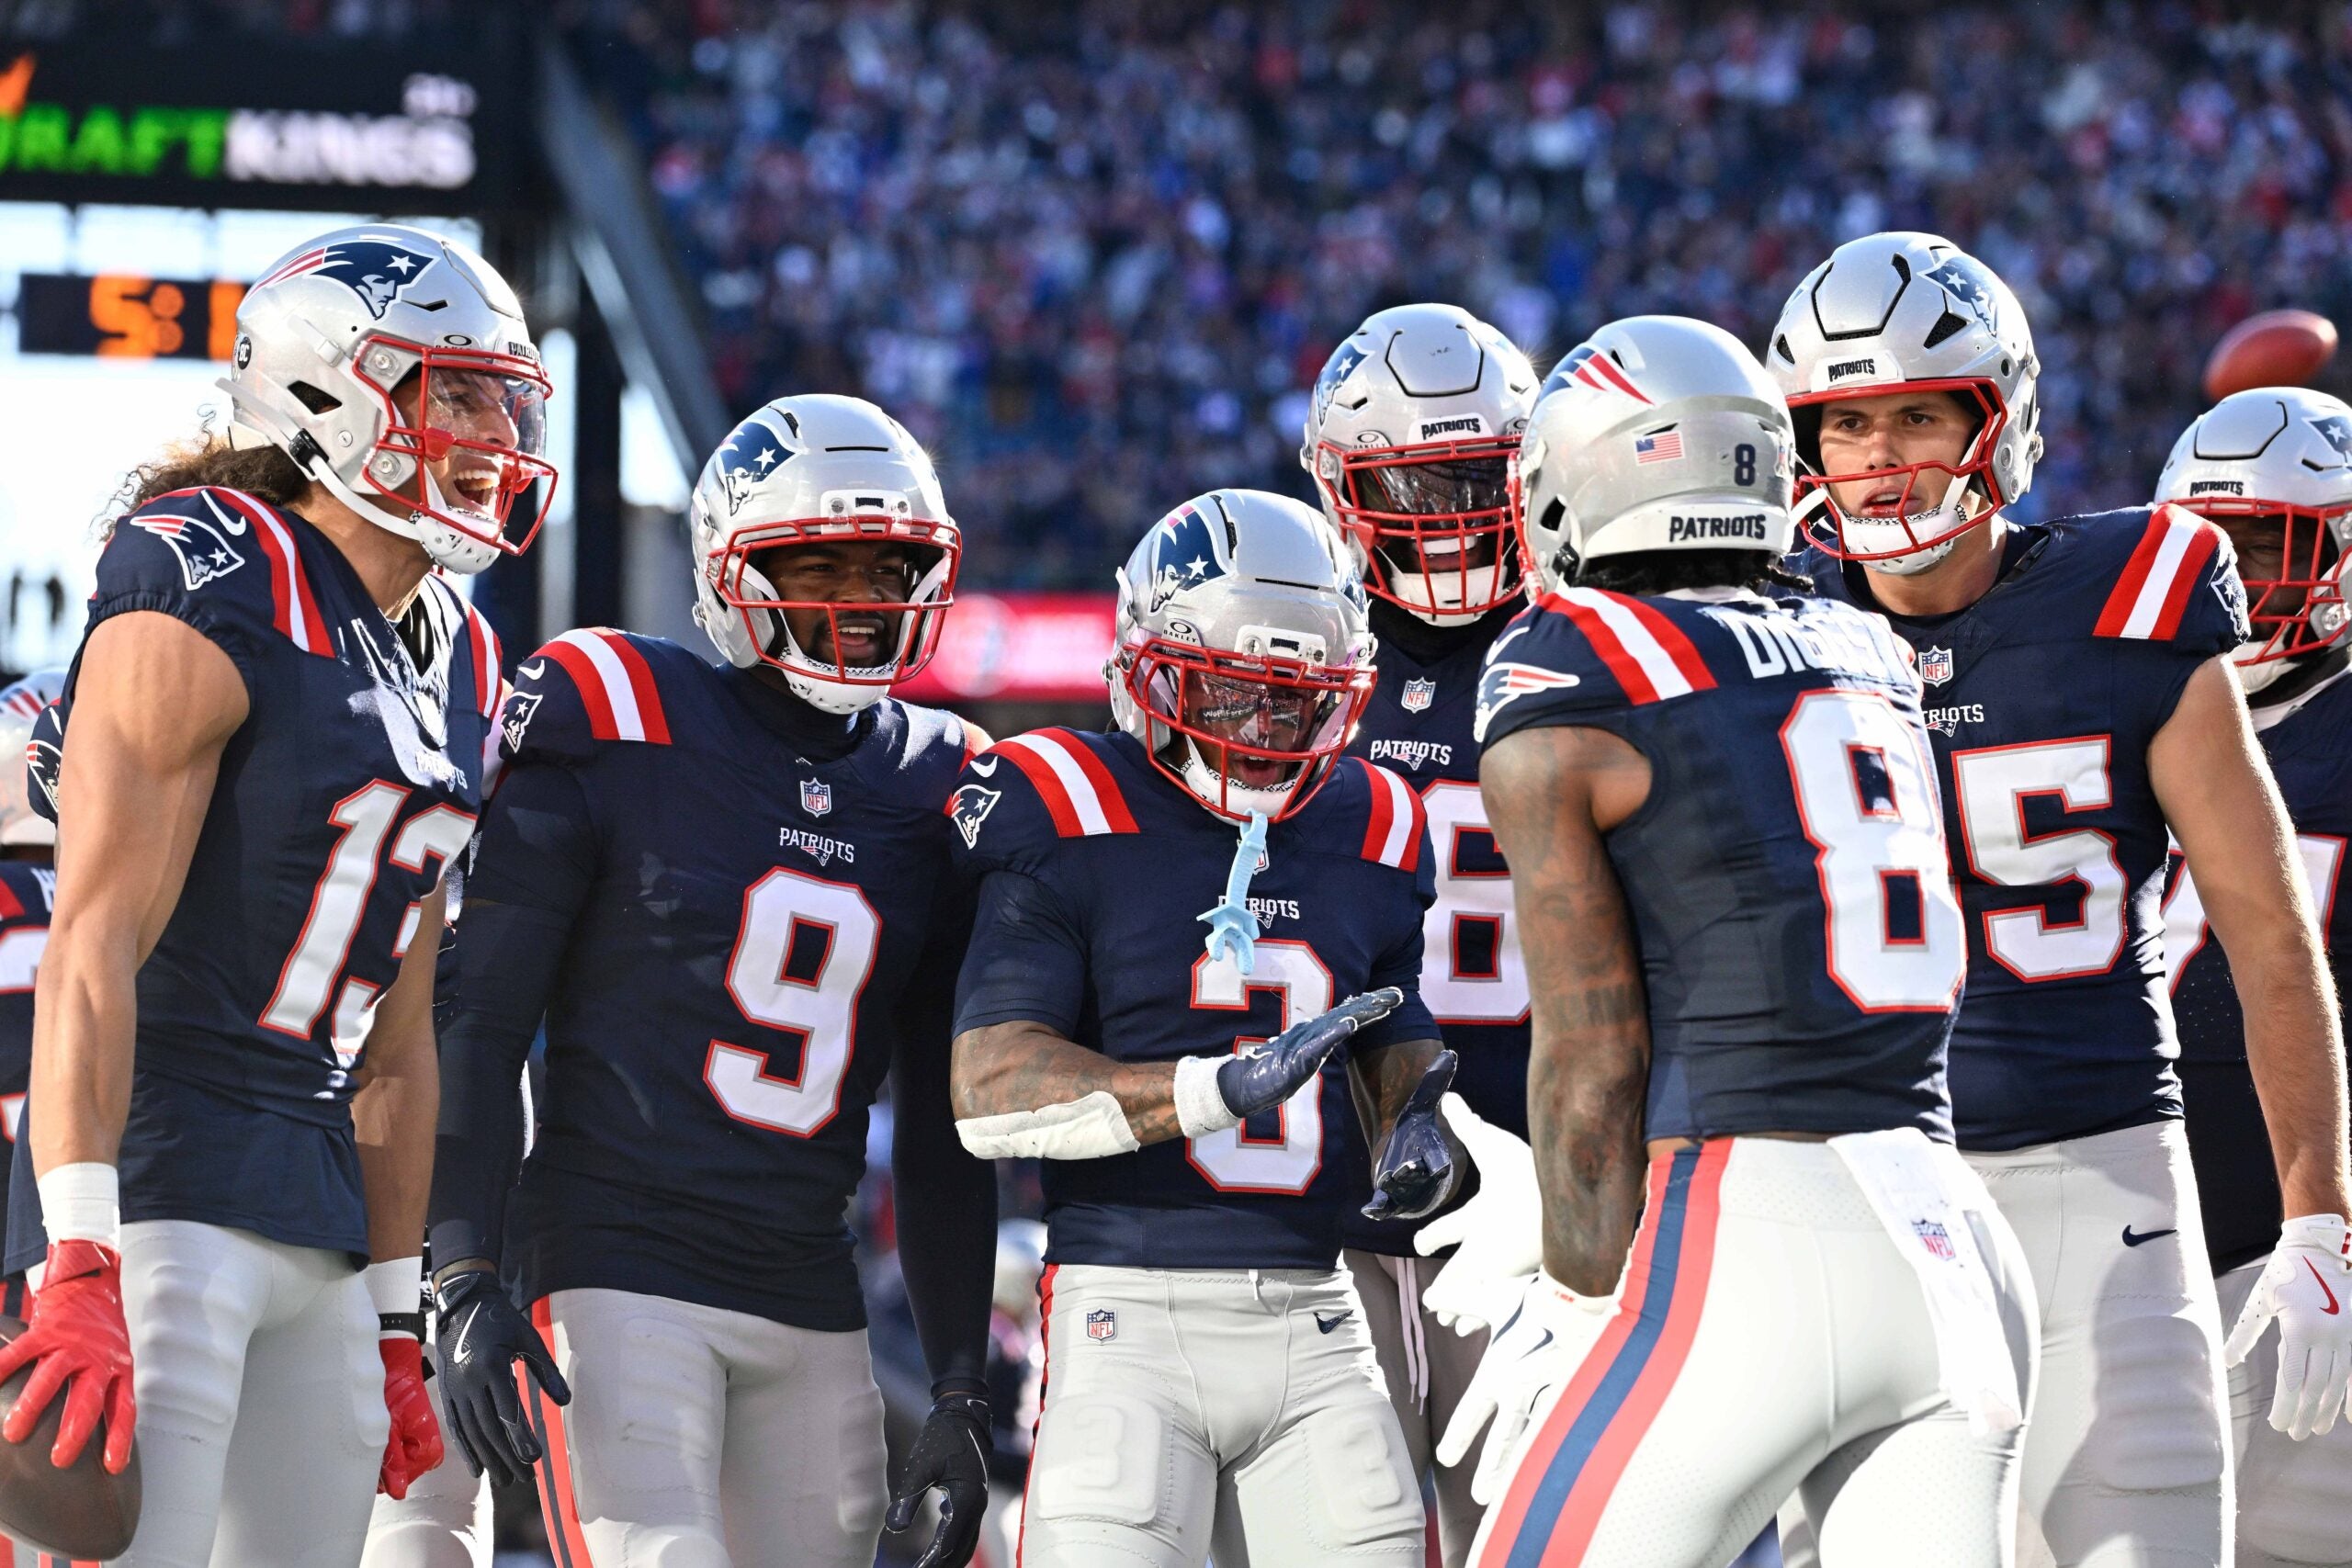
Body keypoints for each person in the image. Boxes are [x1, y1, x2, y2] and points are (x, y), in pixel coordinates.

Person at [1774, 231, 2352, 1568]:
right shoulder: (1771, 631)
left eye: (1918, 411)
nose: (1880, 455)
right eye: (1845, 422)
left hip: (2102, 1179)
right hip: (1866, 1204)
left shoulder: (2134, 596)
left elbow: (2269, 932)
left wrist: (2319, 1213)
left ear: (1999, 414)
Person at [0, 223, 548, 1565]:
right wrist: (77, 1255)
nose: (493, 430)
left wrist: (400, 1314)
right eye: (452, 390)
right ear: (327, 390)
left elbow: (402, 1044)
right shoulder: (208, 565)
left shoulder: (466, 653)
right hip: (162, 1178)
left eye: (502, 396)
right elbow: (95, 941)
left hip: (318, 1207)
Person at [1457, 312, 2032, 1568]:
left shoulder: (1570, 664)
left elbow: (1589, 1059)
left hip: (1762, 1226)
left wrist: (1570, 1300)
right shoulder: (1868, 645)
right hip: (1956, 1235)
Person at [424, 393, 998, 1568]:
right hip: (610, 1264)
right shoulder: (616, 709)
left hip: (810, 1288)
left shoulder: (942, 782)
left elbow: (944, 1121)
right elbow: (479, 1020)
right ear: (732, 574)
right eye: (819, 569)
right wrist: (464, 1268)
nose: (859, 606)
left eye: (886, 573)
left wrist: (957, 1386)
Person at [947, 487, 1458, 1567]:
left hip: (1323, 1319)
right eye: (1230, 694)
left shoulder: (1377, 819)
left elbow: (1389, 1020)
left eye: (1296, 700)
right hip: (1125, 1312)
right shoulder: (1062, 795)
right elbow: (989, 1090)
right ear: (1149, 665)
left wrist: (1418, 1120)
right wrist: (1214, 1090)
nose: (1266, 732)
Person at [1302, 300, 1543, 1565]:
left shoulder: (1586, 642)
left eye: (1476, 477)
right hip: (1337, 1190)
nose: (1445, 511)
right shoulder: (1298, 657)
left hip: (1549, 1186)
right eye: (1409, 482)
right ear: (1346, 492)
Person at [2154, 387, 2352, 1568]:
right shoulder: (2129, 699)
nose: (2235, 579)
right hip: (2129, 1226)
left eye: (2272, 543)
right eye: (2210, 545)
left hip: (2301, 1239)